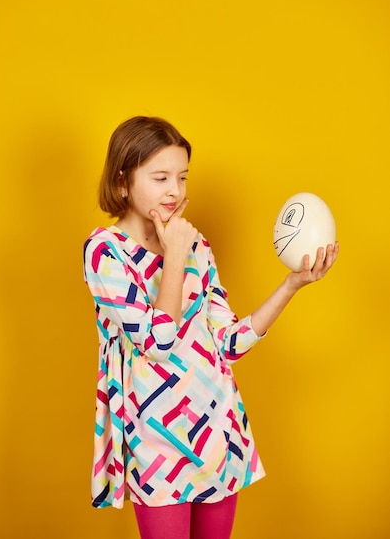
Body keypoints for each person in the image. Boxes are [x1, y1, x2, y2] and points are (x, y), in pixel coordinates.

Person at [83, 116, 339, 539]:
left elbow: (229, 343)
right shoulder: (104, 252)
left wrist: (292, 284)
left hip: (217, 429)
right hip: (156, 439)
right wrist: (173, 255)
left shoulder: (194, 245)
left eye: (182, 177)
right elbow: (157, 341)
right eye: (161, 176)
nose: (175, 190)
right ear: (123, 180)